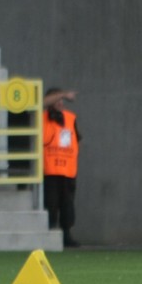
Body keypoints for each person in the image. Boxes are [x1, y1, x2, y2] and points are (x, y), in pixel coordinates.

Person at [42, 87, 81, 248]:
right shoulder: (42, 117)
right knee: (51, 204)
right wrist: (64, 93)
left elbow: (77, 139)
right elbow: (41, 103)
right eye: (56, 99)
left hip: (68, 170)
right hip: (50, 170)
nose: (60, 102)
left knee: (67, 205)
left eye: (62, 99)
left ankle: (66, 234)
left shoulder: (70, 118)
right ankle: (50, 233)